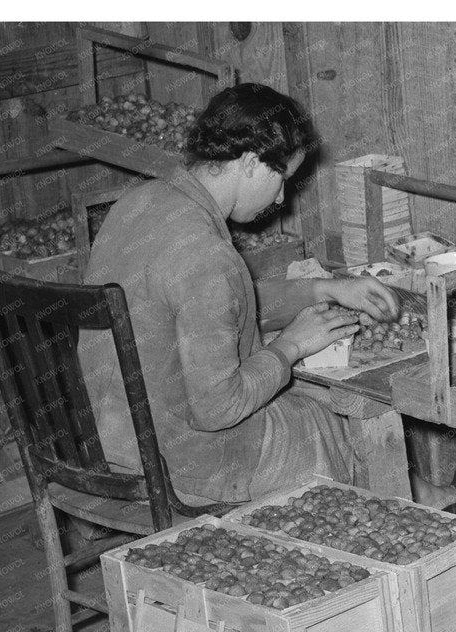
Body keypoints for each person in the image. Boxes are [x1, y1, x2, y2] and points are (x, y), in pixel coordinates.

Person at [79, 82, 400, 503]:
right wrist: (291, 347)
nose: (282, 197)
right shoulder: (208, 255)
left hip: (106, 440)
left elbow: (211, 306)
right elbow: (219, 409)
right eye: (282, 177)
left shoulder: (138, 202)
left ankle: (418, 498)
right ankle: (384, 540)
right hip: (173, 465)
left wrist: (325, 287)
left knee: (298, 392)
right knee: (330, 416)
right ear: (250, 161)